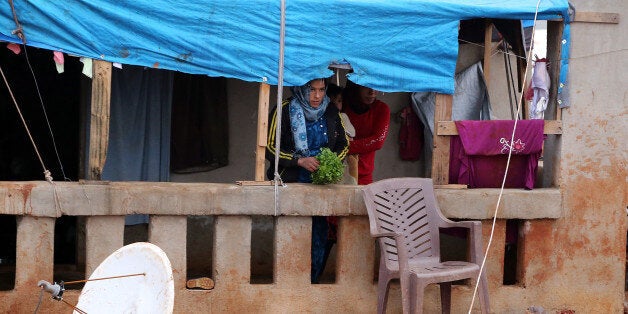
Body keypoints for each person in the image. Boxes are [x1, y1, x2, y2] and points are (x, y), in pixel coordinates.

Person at [266, 78, 349, 283]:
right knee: (291, 234)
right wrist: (299, 161)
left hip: (320, 186)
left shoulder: (330, 110)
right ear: (302, 89)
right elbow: (269, 147)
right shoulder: (284, 109)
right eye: (312, 90)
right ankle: (287, 284)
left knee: (318, 236)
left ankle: (312, 284)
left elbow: (343, 144)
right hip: (292, 183)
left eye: (321, 90)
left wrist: (328, 162)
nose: (317, 96)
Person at [343, 80, 391, 185]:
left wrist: (343, 147)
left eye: (375, 85)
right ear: (355, 85)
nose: (372, 91)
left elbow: (377, 141)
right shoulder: (340, 104)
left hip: (364, 175)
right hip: (339, 172)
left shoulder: (381, 109)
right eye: (366, 85)